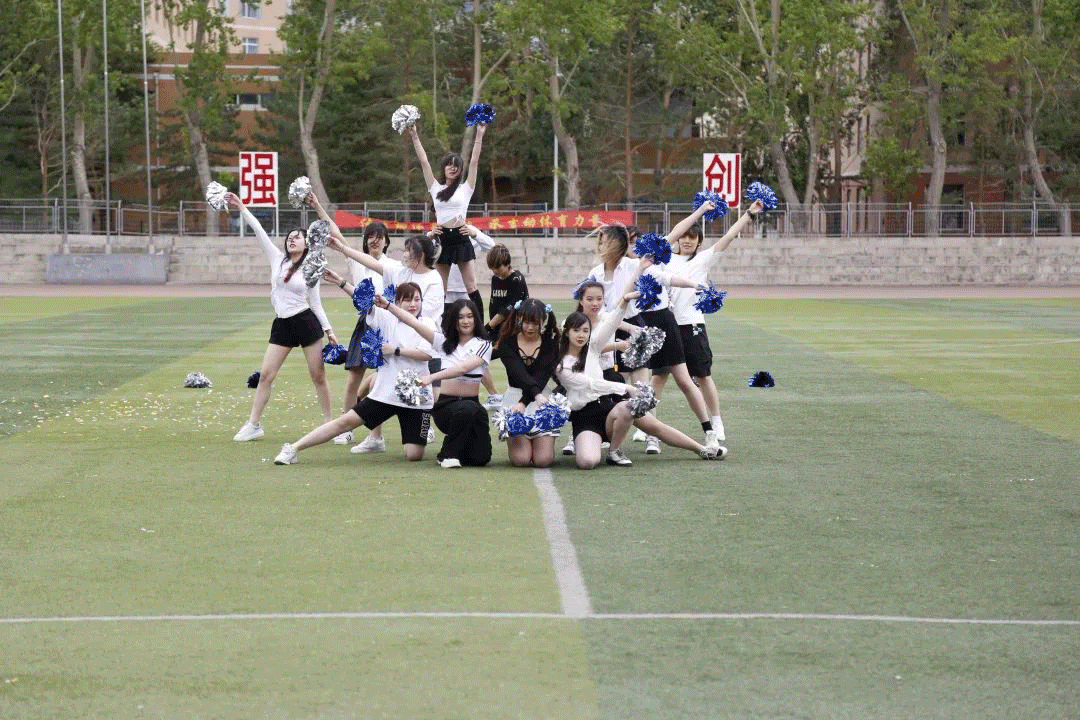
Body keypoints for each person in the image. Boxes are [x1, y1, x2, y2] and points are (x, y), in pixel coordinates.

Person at [555, 272, 720, 470]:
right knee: (587, 462)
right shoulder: (562, 364)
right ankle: (582, 440)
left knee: (647, 421)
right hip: (586, 417)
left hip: (608, 407)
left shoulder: (594, 346)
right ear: (566, 332)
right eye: (576, 331)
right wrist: (626, 388)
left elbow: (613, 321)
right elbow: (591, 384)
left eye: (585, 331)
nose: (581, 335)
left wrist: (625, 301)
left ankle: (701, 449)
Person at [586, 225, 723, 457]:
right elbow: (595, 305)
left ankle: (707, 430)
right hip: (618, 328)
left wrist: (693, 284)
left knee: (673, 381)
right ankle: (596, 434)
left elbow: (666, 275)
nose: (601, 246)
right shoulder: (596, 273)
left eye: (605, 241)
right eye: (600, 242)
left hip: (651, 324)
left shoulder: (636, 265)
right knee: (613, 382)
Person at [273, 282, 435, 465]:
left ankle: (374, 383)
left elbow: (427, 354)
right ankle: (293, 448)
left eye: (417, 300)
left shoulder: (427, 323)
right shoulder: (386, 318)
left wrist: (396, 350)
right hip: (385, 394)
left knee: (414, 455)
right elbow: (361, 299)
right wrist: (340, 281)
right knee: (344, 422)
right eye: (407, 300)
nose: (413, 304)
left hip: (416, 397)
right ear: (397, 302)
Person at [652, 199, 763, 453]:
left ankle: (716, 421)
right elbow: (674, 232)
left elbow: (728, 237)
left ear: (699, 242)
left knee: (703, 376)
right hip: (667, 325)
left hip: (692, 324)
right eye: (684, 237)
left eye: (693, 238)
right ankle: (648, 424)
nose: (687, 241)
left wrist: (748, 214)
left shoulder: (703, 260)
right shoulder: (665, 260)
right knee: (659, 376)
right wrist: (698, 212)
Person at [226, 192, 337, 442]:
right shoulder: (277, 260)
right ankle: (254, 424)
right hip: (283, 324)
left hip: (305, 322)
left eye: (298, 237)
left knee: (318, 376)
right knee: (266, 375)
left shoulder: (310, 267)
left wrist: (329, 330)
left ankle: (330, 424)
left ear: (307, 243)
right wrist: (242, 208)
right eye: (290, 237)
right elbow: (260, 232)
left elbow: (315, 303)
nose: (292, 240)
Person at [382, 298, 493, 469]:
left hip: (472, 404)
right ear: (454, 320)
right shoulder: (443, 342)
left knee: (481, 458)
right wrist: (389, 306)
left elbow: (462, 368)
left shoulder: (484, 345)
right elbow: (413, 322)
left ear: (476, 319)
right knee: (467, 408)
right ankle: (446, 455)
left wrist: (431, 377)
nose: (466, 321)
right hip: (446, 407)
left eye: (470, 316)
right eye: (460, 317)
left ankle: (459, 448)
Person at [408, 122, 488, 319]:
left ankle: (480, 326)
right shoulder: (435, 188)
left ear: (460, 170)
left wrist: (479, 134)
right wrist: (415, 136)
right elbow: (424, 162)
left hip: (461, 237)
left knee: (471, 286)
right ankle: (438, 325)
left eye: (456, 165)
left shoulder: (466, 188)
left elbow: (475, 161)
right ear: (443, 168)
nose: (453, 168)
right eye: (449, 164)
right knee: (440, 288)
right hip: (442, 238)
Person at [321, 221, 389, 446]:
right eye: (370, 237)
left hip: (388, 324)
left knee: (383, 380)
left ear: (386, 242)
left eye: (379, 237)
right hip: (366, 324)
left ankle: (377, 435)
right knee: (353, 379)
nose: (375, 241)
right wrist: (318, 206)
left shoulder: (391, 266)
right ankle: (346, 429)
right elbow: (337, 234)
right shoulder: (357, 262)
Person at [561, 280, 632, 456]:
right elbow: (592, 349)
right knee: (587, 459)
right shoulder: (572, 330)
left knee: (643, 419)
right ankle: (577, 437)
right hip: (584, 382)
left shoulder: (605, 321)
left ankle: (615, 448)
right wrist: (617, 345)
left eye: (599, 299)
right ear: (581, 300)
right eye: (590, 299)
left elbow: (616, 320)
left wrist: (640, 329)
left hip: (607, 375)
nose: (595, 303)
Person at [497, 298, 562, 468]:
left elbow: (541, 376)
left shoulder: (550, 343)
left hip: (541, 400)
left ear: (543, 321)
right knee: (521, 460)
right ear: (519, 318)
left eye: (535, 323)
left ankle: (540, 441)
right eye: (526, 322)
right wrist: (523, 402)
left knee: (543, 460)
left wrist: (526, 402)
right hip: (514, 401)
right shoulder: (506, 341)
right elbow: (518, 374)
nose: (530, 327)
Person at [445, 225, 502, 408]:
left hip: (467, 297)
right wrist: (431, 235)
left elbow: (492, 246)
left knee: (474, 349)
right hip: (443, 297)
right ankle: (440, 393)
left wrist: (475, 233)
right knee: (441, 348)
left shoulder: (466, 231)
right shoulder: (438, 232)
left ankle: (494, 395)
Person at [485, 244, 530, 335]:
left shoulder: (516, 279)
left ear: (507, 263)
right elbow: (493, 303)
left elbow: (509, 309)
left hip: (513, 330)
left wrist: (488, 327)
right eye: (492, 268)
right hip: (496, 328)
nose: (495, 271)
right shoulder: (495, 279)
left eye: (498, 267)